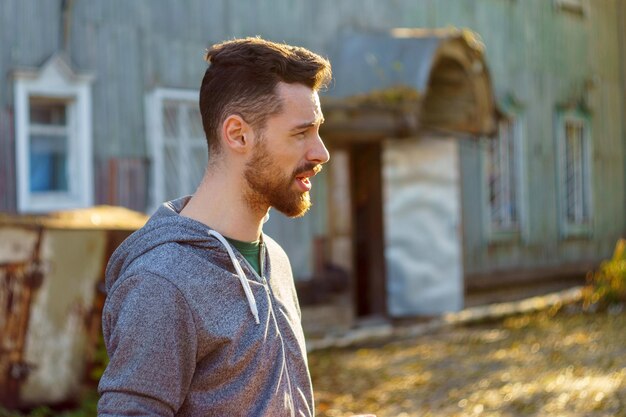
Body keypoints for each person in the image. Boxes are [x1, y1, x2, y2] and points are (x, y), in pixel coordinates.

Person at [97, 37, 332, 416]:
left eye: (318, 130)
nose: (321, 152)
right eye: (301, 133)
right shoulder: (162, 283)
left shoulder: (276, 260)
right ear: (238, 134)